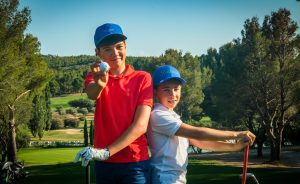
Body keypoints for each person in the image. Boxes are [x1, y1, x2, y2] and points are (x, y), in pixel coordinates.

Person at [147, 65, 256, 184]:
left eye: (176, 89)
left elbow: (200, 142)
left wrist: (235, 146)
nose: (173, 94)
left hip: (175, 178)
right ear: (155, 92)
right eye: (166, 89)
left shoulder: (172, 116)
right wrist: (237, 134)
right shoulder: (158, 115)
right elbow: (198, 134)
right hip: (165, 178)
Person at [74, 23, 153, 184]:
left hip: (135, 161)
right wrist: (100, 85)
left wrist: (106, 152)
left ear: (125, 47)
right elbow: (91, 94)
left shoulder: (143, 78)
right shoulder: (95, 75)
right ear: (98, 53)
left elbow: (140, 126)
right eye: (107, 49)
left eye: (119, 47)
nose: (115, 53)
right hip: (105, 165)